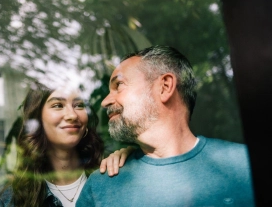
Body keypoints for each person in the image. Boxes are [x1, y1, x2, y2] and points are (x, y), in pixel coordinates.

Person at [76, 45, 255, 207]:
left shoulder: (247, 166)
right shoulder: (100, 186)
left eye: (119, 85)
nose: (106, 101)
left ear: (164, 87)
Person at [0, 81, 133, 207]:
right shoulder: (12, 200)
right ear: (38, 121)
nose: (72, 115)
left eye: (79, 105)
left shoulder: (112, 175)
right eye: (58, 105)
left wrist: (135, 158)